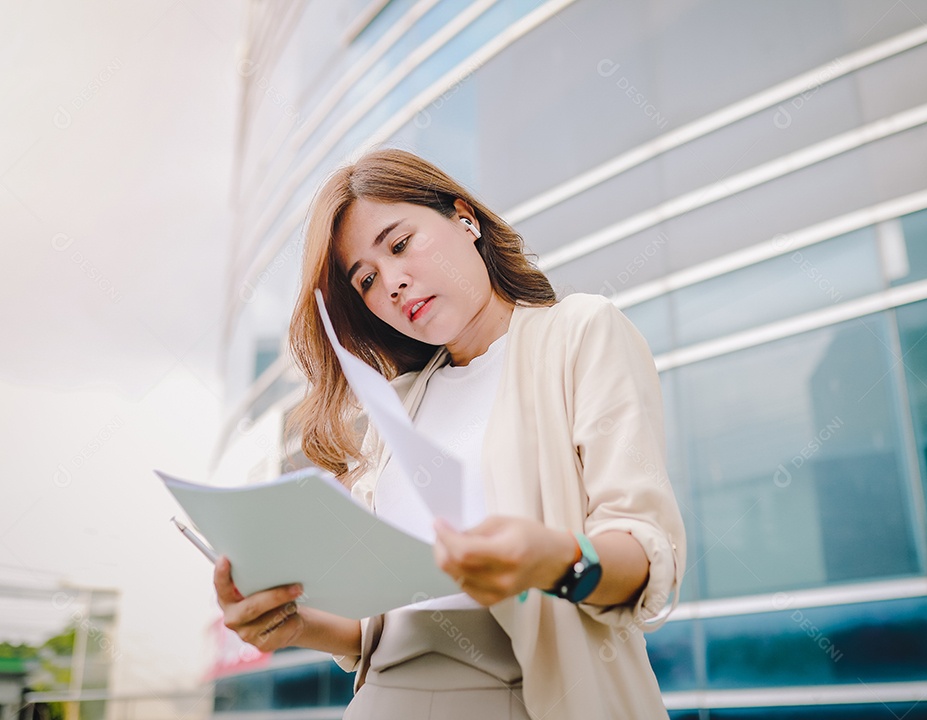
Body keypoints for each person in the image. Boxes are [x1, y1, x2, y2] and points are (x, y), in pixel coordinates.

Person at [213, 148, 686, 719]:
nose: (391, 282)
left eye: (399, 244)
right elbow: (378, 625)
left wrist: (555, 560)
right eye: (365, 279)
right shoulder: (403, 404)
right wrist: (290, 625)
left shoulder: (579, 332)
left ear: (465, 217)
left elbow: (645, 558)